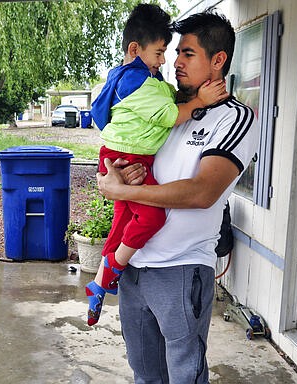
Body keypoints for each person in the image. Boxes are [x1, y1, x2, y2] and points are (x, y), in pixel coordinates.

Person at [96, 10, 259, 383]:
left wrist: (125, 189)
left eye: (187, 53)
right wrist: (114, 178)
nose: (175, 62)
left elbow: (203, 192)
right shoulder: (167, 106)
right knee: (145, 374)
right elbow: (124, 146)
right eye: (174, 52)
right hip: (134, 266)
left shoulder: (234, 118)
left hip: (180, 270)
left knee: (184, 375)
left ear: (218, 60)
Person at [85, 3, 228, 326]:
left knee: (122, 221)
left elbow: (164, 94)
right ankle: (112, 273)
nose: (165, 61)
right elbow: (169, 114)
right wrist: (200, 102)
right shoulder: (139, 83)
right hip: (130, 159)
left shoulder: (125, 77)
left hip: (119, 156)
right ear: (135, 49)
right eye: (160, 53)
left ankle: (98, 283)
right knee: (151, 217)